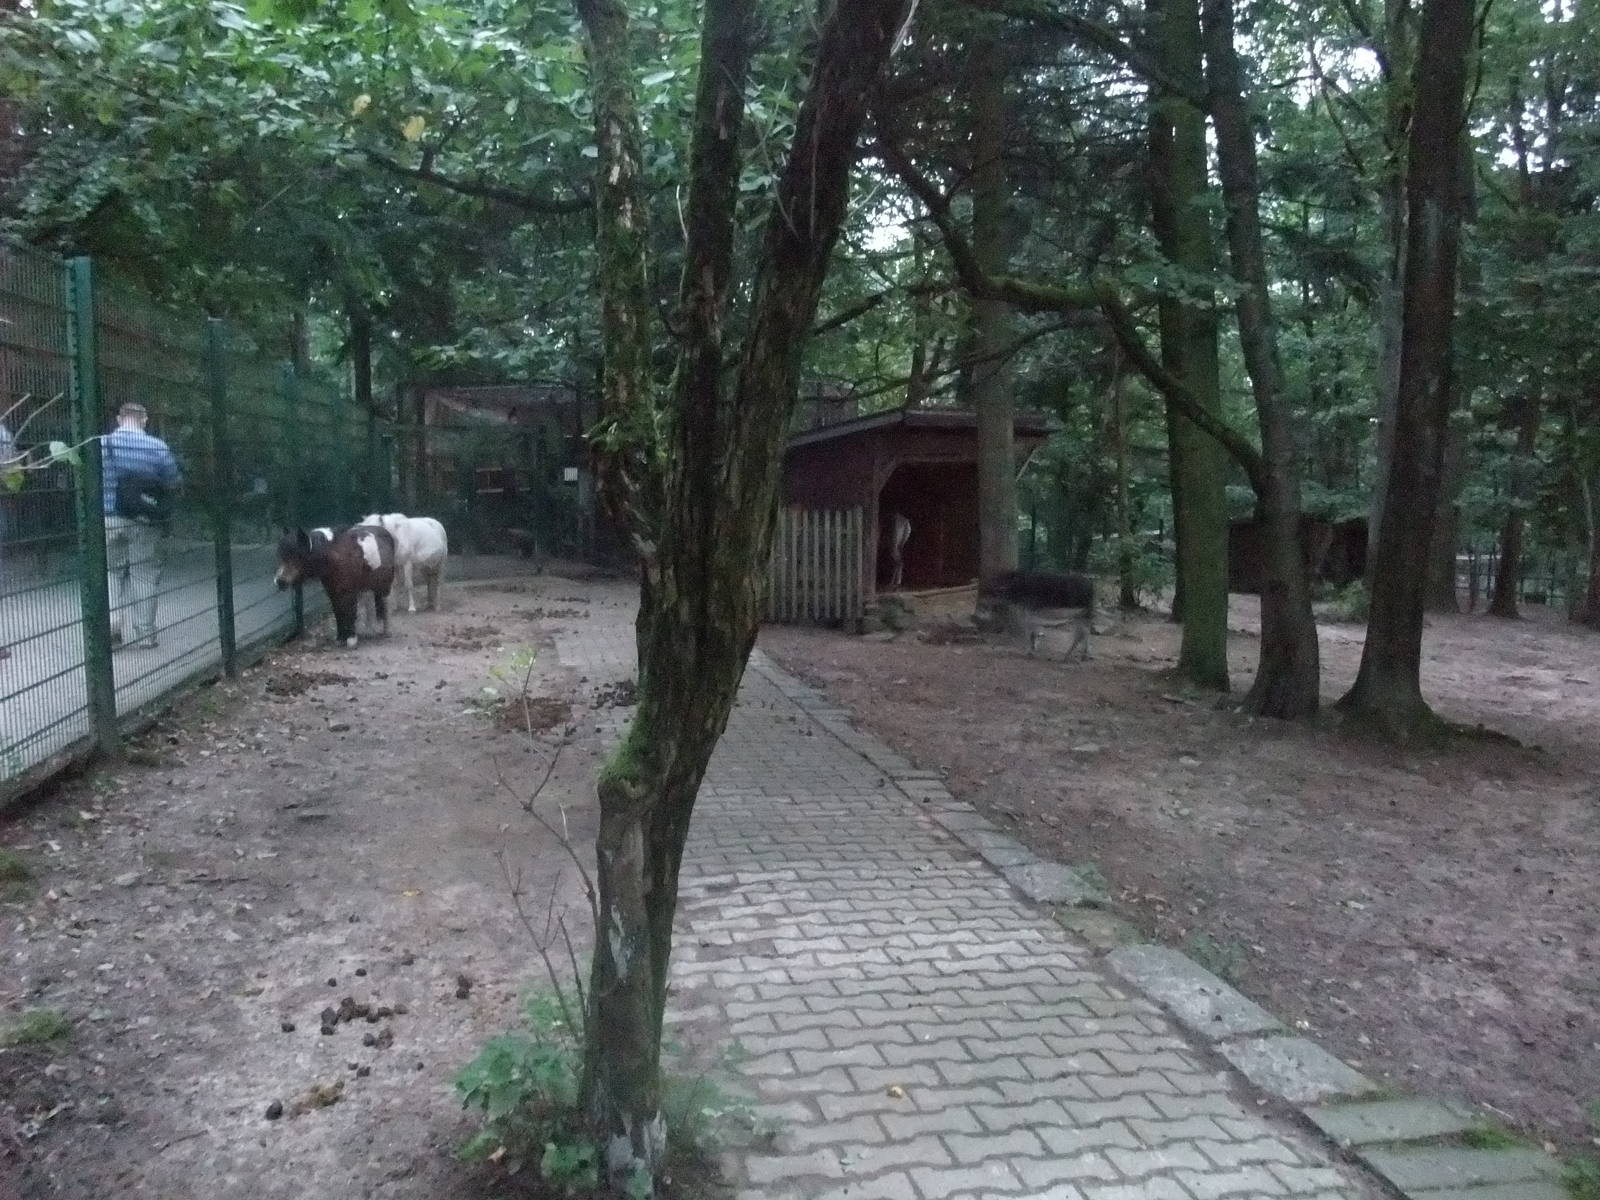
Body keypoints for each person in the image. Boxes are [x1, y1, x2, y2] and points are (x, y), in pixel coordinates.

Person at [101, 402, 180, 650]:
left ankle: (113, 625)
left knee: (111, 573)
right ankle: (146, 634)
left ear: (118, 419)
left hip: (109, 517)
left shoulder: (102, 444)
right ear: (144, 420)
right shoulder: (157, 447)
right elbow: (174, 481)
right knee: (144, 575)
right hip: (145, 520)